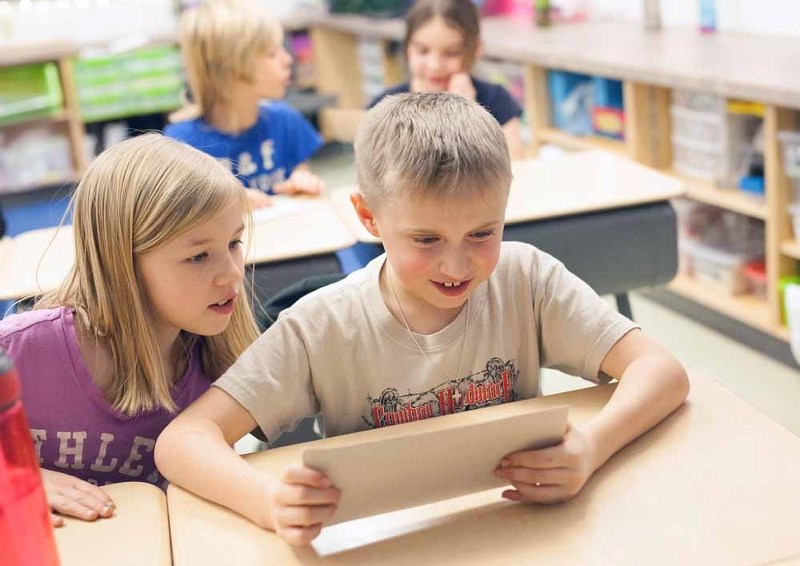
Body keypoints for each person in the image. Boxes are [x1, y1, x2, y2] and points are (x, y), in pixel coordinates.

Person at [155, 93, 689, 546]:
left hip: (518, 531)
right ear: (368, 216)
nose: (457, 266)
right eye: (426, 240)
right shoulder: (321, 326)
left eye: (483, 233)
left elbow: (661, 370)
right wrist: (269, 501)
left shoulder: (526, 279)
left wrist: (592, 448)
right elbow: (184, 440)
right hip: (387, 545)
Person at [0, 134, 259, 527]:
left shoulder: (218, 359)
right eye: (198, 256)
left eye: (234, 243)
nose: (232, 273)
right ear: (122, 262)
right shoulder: (20, 348)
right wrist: (13, 480)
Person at [165, 0, 325, 209]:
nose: (288, 59)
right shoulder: (180, 145)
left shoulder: (286, 120)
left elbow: (300, 173)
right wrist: (227, 205)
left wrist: (303, 184)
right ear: (233, 68)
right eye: (272, 53)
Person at [369, 0, 525, 160]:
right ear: (408, 48)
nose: (435, 65)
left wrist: (466, 113)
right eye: (422, 51)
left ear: (476, 49)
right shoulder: (384, 107)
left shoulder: (496, 100)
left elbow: (514, 168)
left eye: (451, 53)